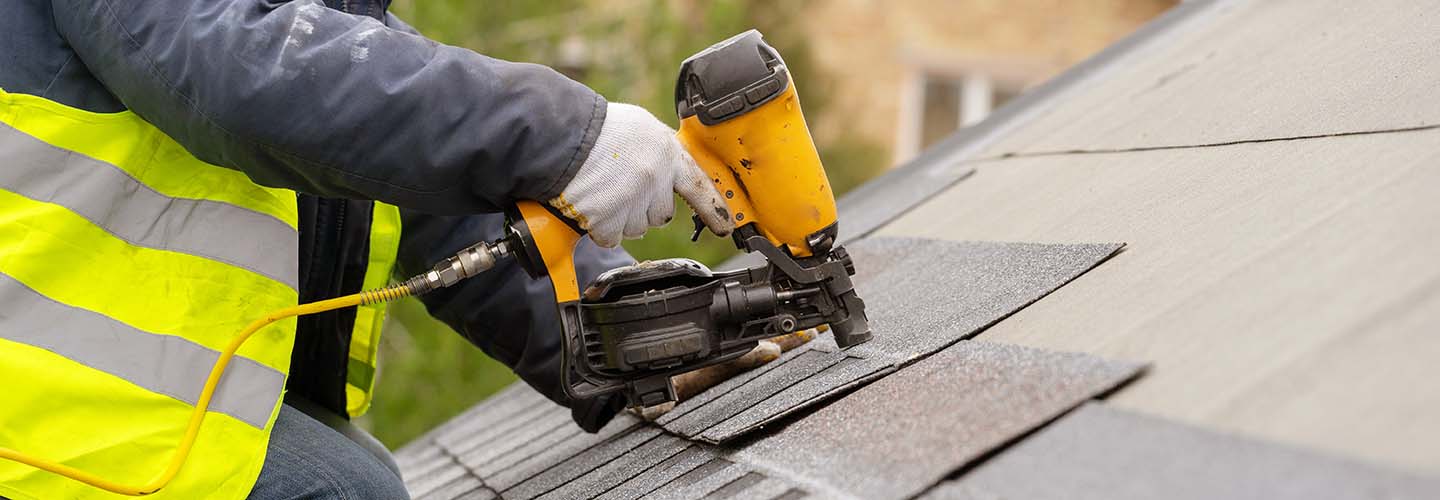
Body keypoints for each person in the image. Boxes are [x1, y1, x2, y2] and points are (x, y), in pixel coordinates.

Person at [0, 1, 750, 499]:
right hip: (38, 434)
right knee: (340, 490)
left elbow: (415, 191)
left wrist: (620, 330)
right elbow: (254, 79)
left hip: (130, 407)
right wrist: (562, 137)